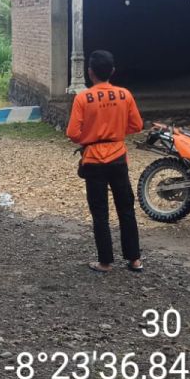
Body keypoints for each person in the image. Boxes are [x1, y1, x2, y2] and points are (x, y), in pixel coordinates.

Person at [66, 50, 144, 273]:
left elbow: (72, 133)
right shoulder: (124, 95)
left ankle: (105, 262)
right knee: (126, 208)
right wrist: (117, 132)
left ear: (90, 72)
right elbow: (137, 125)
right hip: (118, 156)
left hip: (93, 159)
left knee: (100, 212)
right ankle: (134, 259)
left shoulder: (83, 97)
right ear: (112, 71)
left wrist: (89, 138)